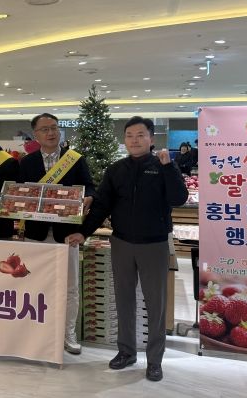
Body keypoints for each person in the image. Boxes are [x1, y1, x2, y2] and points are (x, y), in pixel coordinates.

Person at [66, 116, 188, 382]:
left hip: (154, 244)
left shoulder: (163, 166)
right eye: (130, 135)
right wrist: (84, 231)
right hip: (121, 243)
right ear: (124, 139)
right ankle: (126, 352)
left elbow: (179, 198)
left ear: (151, 139)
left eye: (140, 135)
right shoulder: (116, 169)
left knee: (155, 304)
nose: (135, 140)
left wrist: (169, 168)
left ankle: (154, 361)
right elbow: (102, 205)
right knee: (123, 300)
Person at [19, 113, 96, 355]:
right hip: (36, 233)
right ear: (35, 135)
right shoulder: (27, 162)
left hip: (67, 233)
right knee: (34, 283)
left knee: (70, 287)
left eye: (54, 128)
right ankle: (37, 332)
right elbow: (19, 192)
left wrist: (89, 196)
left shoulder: (75, 159)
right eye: (44, 129)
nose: (51, 133)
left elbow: (90, 185)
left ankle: (67, 333)